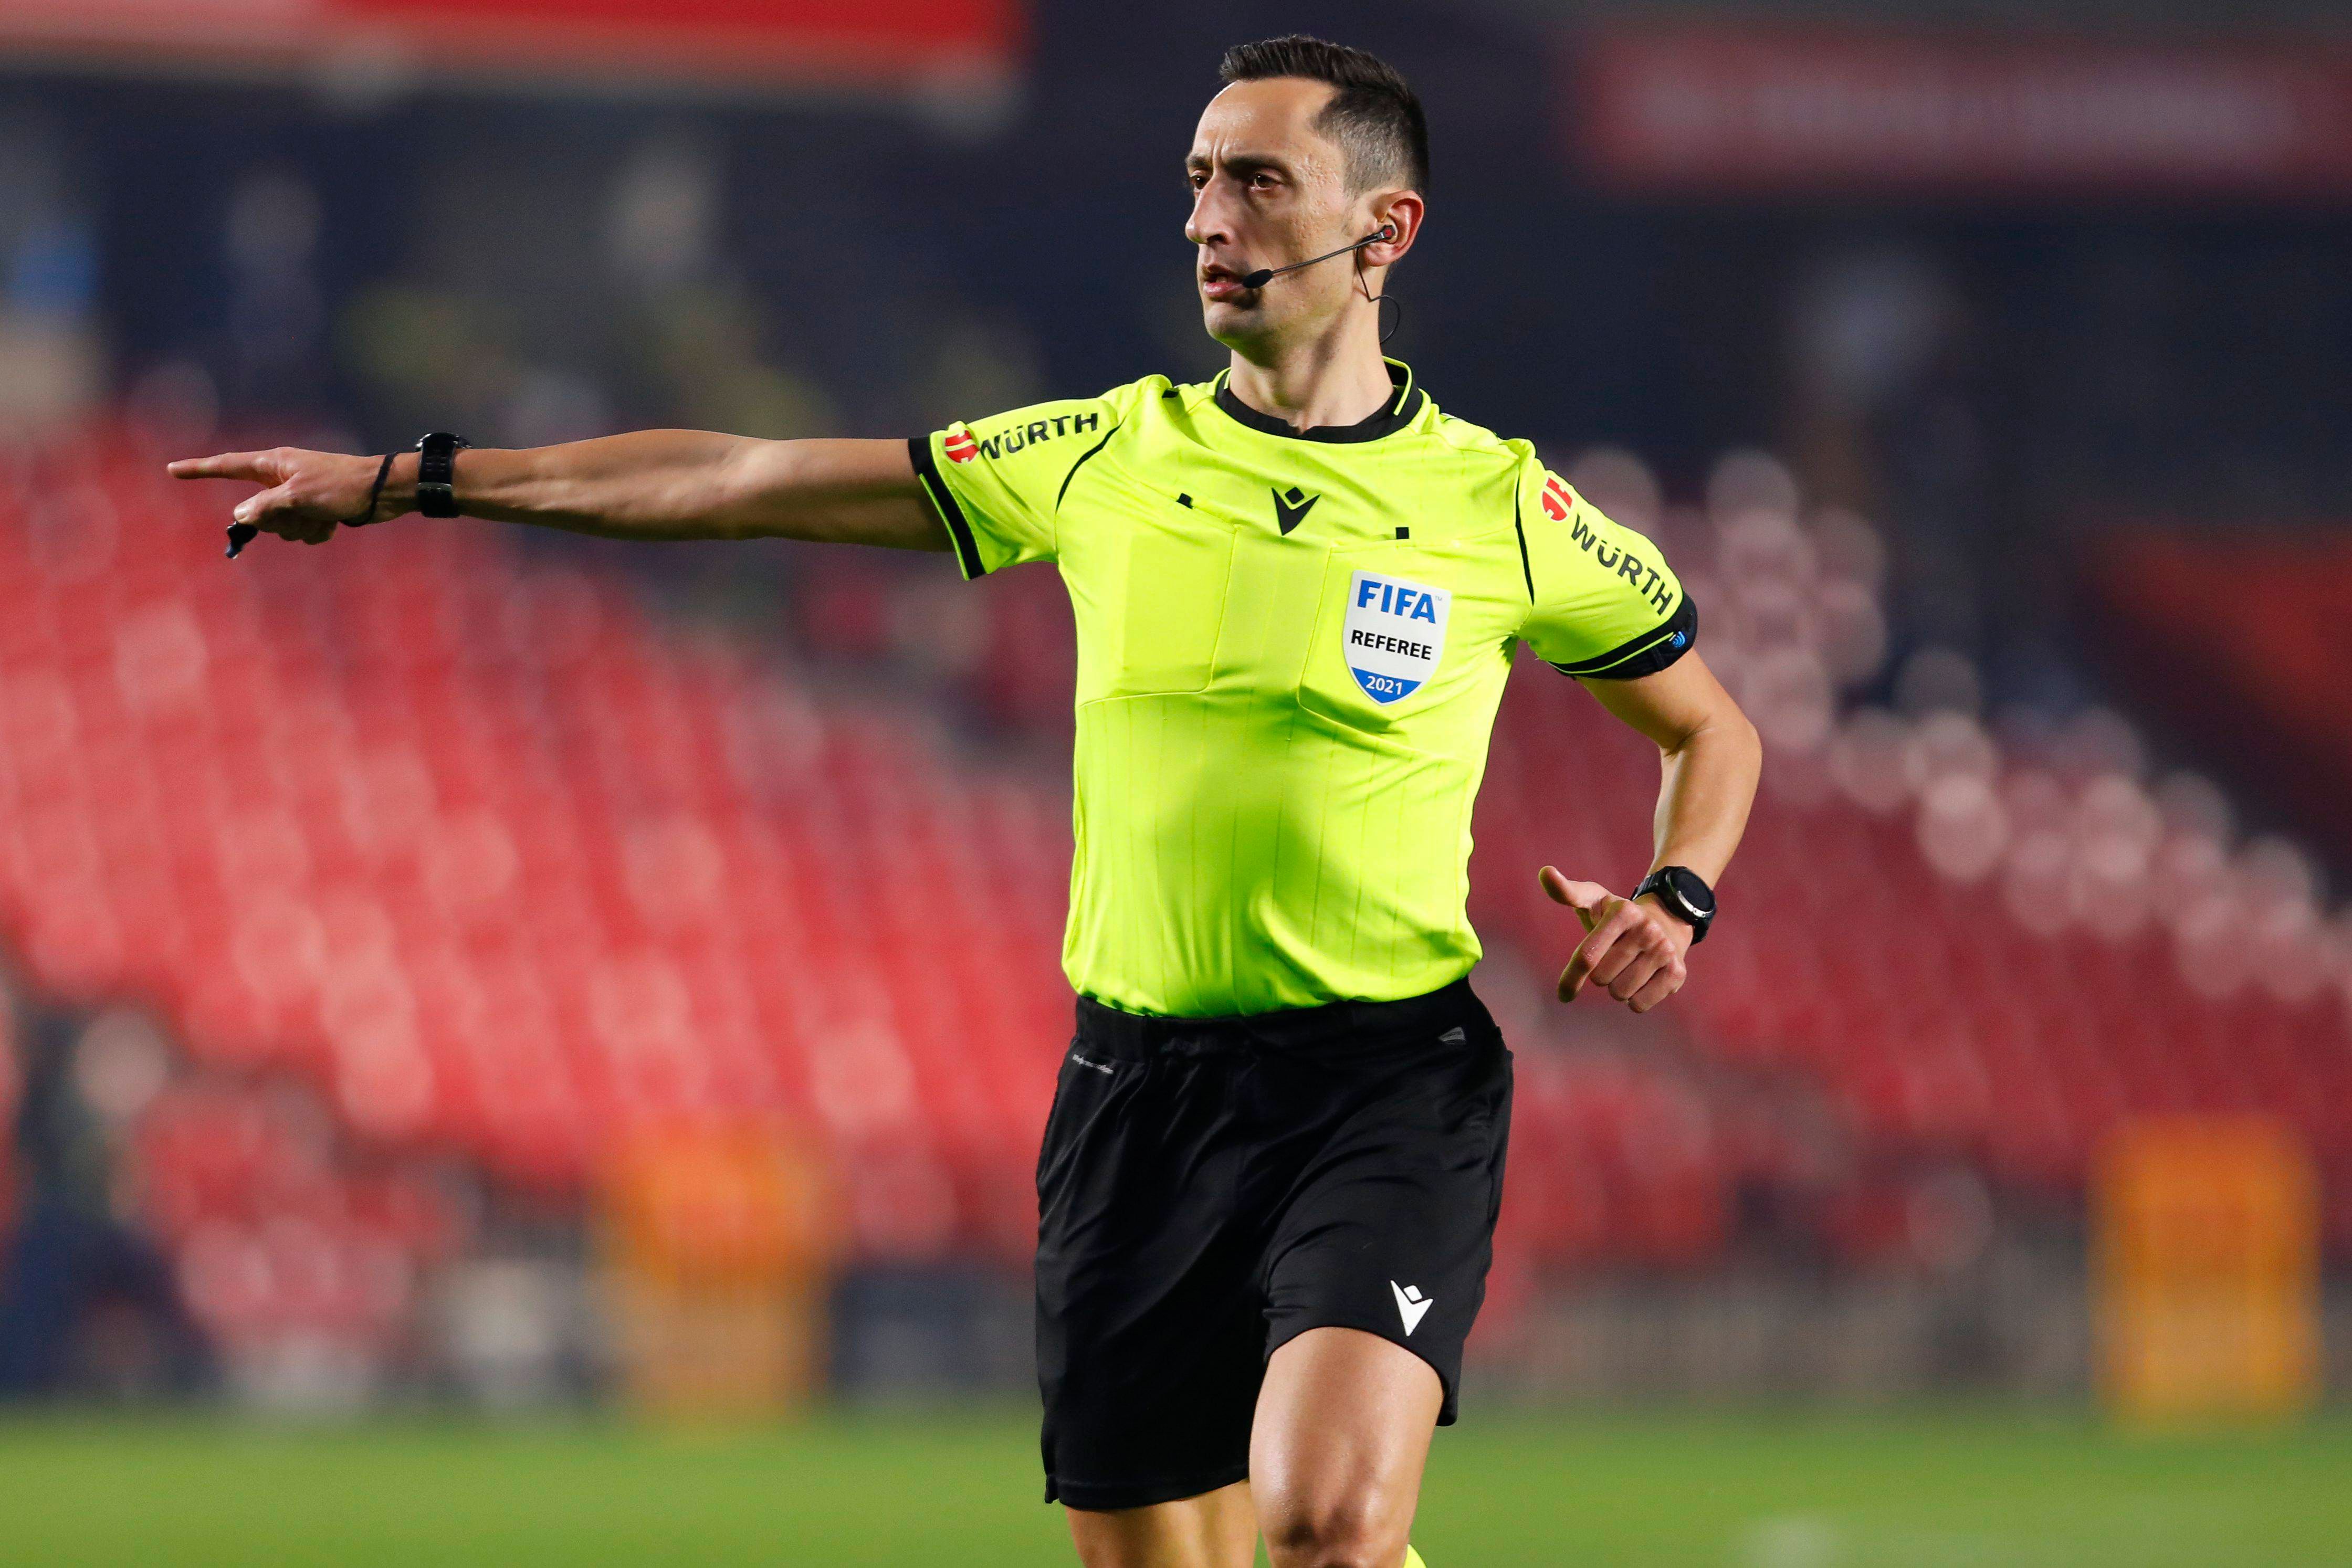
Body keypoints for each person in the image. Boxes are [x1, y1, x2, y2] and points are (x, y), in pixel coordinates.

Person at [171, 34, 1762, 1568]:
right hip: (1138, 1095)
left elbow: (1712, 733)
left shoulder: (1502, 504)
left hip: (1382, 1083)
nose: (1212, 220)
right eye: (1201, 181)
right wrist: (415, 479)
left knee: (1328, 1522)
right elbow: (742, 483)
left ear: (1383, 228)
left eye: (1261, 185)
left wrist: (1675, 891)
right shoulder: (1100, 455)